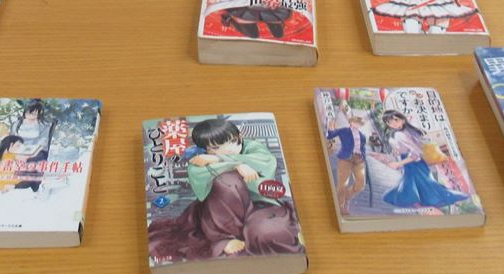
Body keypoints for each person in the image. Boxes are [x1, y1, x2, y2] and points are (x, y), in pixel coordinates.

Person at [146, 117, 301, 261]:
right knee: (226, 181)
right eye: (216, 147)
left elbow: (266, 162)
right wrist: (235, 166)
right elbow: (197, 175)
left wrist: (220, 158)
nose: (229, 149)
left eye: (233, 141)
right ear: (205, 149)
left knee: (266, 233)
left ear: (240, 136)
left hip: (261, 205)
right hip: (223, 209)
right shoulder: (201, 158)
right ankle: (223, 239)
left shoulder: (252, 147)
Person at [377, 110, 469, 210]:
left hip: (413, 163)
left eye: (396, 120)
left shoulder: (401, 134)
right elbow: (410, 148)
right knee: (419, 184)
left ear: (403, 120)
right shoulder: (407, 131)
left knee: (421, 184)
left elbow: (416, 153)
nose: (393, 123)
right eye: (389, 122)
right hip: (414, 163)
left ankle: (429, 203)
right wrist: (398, 152)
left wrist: (399, 163)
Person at [0, 100, 55, 192]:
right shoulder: (17, 124)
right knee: (1, 157)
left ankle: (24, 184)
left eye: (34, 113)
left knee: (33, 161)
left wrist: (30, 153)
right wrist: (14, 151)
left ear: (39, 113)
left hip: (36, 149)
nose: (31, 115)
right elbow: (12, 138)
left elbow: (43, 141)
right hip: (17, 148)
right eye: (29, 112)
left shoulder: (44, 125)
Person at [324, 109, 370, 212]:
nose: (357, 124)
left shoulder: (362, 136)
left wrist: (363, 157)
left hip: (359, 160)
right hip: (346, 158)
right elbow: (330, 135)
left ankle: (347, 197)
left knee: (361, 185)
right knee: (342, 185)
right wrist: (330, 128)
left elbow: (363, 148)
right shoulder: (344, 131)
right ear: (351, 122)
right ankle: (340, 207)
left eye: (359, 123)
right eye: (355, 122)